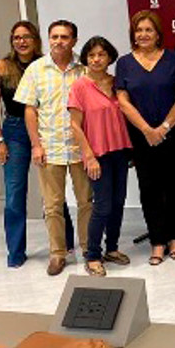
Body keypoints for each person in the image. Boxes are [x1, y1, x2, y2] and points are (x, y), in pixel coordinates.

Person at [0, 21, 74, 268]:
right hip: (14, 133)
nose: (21, 41)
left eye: (26, 37)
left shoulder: (46, 65)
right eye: (16, 38)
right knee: (14, 193)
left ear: (36, 39)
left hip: (45, 129)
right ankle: (15, 252)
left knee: (53, 192)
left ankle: (65, 243)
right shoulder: (2, 67)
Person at [14, 20, 92, 276]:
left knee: (86, 202)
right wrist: (36, 145)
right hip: (50, 147)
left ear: (74, 40)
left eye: (65, 37)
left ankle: (89, 251)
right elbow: (29, 110)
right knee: (53, 205)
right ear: (49, 39)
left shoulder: (85, 69)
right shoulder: (36, 70)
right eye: (54, 36)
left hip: (81, 148)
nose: (59, 41)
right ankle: (58, 254)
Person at [115, 11, 175, 265]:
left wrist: (165, 127)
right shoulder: (125, 63)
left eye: (148, 30)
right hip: (142, 138)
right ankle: (158, 241)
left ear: (158, 33)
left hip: (174, 134)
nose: (143, 35)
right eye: (139, 30)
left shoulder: (173, 58)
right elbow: (123, 101)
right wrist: (148, 130)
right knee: (149, 189)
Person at [68, 36, 133, 277]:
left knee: (118, 203)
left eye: (101, 55)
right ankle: (93, 255)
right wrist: (89, 156)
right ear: (85, 58)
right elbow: (75, 125)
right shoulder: (80, 86)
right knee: (102, 205)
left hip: (120, 151)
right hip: (97, 154)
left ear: (109, 58)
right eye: (91, 55)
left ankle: (112, 249)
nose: (96, 59)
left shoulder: (117, 83)